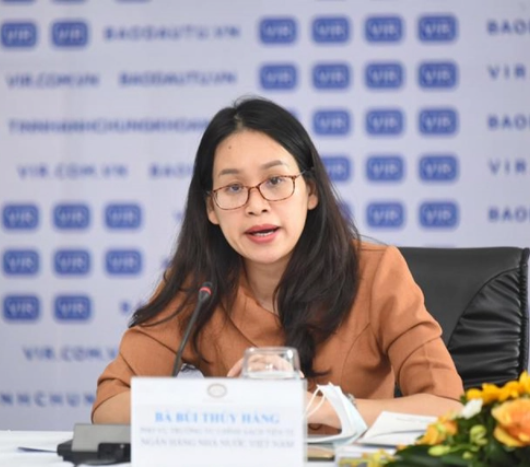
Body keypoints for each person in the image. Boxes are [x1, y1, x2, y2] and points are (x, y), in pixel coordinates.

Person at [93, 97, 463, 432]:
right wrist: (221, 402)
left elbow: (447, 407)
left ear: (311, 191)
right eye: (233, 188)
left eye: (275, 181)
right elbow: (109, 406)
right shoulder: (197, 285)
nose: (256, 205)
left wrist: (317, 408)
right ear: (211, 209)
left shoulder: (376, 273)